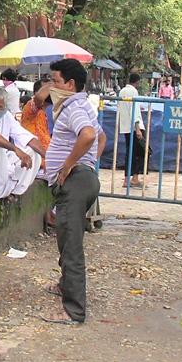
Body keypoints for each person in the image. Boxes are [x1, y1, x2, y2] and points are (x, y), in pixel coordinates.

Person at [41, 59, 106, 325]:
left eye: (55, 81)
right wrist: (89, 163)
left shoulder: (75, 106)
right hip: (83, 180)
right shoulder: (81, 106)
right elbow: (101, 137)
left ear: (70, 84)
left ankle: (74, 311)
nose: (52, 86)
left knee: (71, 247)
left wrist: (69, 166)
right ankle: (64, 286)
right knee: (66, 239)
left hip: (75, 183)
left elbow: (89, 135)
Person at [118, 73, 146, 188]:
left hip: (125, 126)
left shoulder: (122, 91)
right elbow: (133, 110)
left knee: (129, 152)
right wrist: (137, 128)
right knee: (140, 152)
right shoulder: (133, 92)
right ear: (137, 82)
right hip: (134, 126)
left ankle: (127, 179)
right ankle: (134, 178)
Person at [20, 80, 53, 149]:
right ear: (36, 93)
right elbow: (40, 97)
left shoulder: (48, 112)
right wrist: (55, 83)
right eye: (46, 88)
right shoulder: (30, 110)